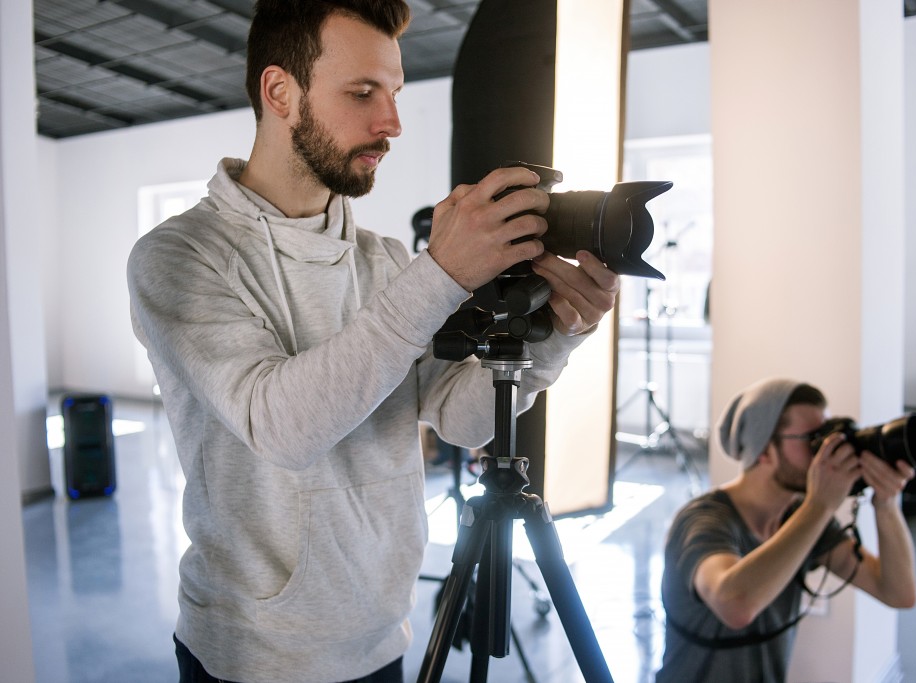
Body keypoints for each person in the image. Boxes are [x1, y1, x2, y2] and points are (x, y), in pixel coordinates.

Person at [127, 2, 621, 681]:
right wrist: (440, 275)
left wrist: (560, 332)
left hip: (384, 638)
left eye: (393, 94)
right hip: (254, 655)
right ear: (280, 93)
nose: (390, 123)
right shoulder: (180, 257)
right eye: (362, 93)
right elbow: (284, 427)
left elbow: (460, 416)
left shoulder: (384, 262)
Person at [656, 378, 916, 682]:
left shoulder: (804, 518)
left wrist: (886, 504)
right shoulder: (703, 520)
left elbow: (898, 593)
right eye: (813, 439)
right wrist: (819, 506)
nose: (823, 453)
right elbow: (735, 605)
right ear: (765, 449)